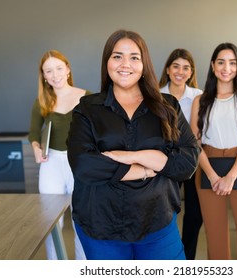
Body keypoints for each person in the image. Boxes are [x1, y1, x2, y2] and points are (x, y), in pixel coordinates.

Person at [66, 29, 200, 260]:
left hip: (158, 222)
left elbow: (188, 161)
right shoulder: (87, 108)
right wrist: (146, 169)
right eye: (117, 56)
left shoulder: (168, 107)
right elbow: (84, 165)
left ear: (144, 63)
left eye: (134, 57)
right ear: (107, 61)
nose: (125, 64)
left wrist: (132, 156)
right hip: (101, 227)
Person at [190, 42, 237, 260]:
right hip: (208, 167)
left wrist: (231, 177)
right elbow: (195, 142)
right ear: (213, 66)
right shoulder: (200, 100)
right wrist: (213, 176)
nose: (227, 68)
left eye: (232, 63)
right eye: (221, 62)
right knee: (215, 236)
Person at [28, 50, 91, 260]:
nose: (55, 75)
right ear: (44, 76)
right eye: (48, 71)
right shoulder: (42, 102)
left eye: (58, 68)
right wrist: (36, 149)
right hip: (51, 163)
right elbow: (33, 134)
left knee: (81, 219)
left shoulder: (87, 98)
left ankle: (84, 268)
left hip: (80, 163)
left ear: (68, 69)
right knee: (52, 221)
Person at [159, 48, 203, 260]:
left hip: (193, 162)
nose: (180, 71)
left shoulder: (199, 96)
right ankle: (169, 254)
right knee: (168, 211)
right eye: (176, 66)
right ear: (168, 69)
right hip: (166, 163)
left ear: (191, 72)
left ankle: (188, 259)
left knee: (195, 214)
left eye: (186, 67)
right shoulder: (156, 95)